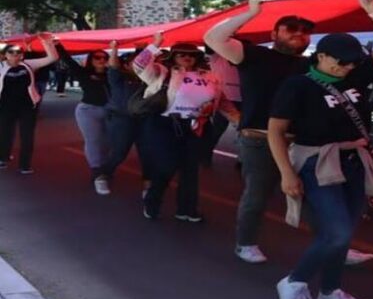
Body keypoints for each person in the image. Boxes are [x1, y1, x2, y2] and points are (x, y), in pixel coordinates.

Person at [204, 0, 373, 266]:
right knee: (257, 195)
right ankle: (245, 242)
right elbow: (213, 37)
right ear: (274, 34)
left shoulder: (312, 65)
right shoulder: (254, 55)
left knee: (315, 197)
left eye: (305, 30)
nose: (299, 33)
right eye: (290, 28)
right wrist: (250, 14)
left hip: (302, 144)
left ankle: (334, 246)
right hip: (260, 140)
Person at [268, 0, 373, 299]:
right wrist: (286, 172)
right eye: (339, 61)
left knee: (346, 231)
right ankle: (295, 281)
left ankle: (330, 291)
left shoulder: (356, 75)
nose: (346, 67)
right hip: (317, 162)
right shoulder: (298, 85)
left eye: (352, 61)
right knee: (338, 232)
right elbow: (276, 130)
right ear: (321, 56)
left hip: (354, 162)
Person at [134, 35, 239, 222]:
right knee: (166, 167)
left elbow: (223, 103)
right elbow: (139, 66)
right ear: (173, 56)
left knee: (190, 170)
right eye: (181, 54)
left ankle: (187, 209)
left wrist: (241, 122)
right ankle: (152, 201)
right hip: (166, 125)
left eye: (191, 55)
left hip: (198, 126)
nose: (186, 57)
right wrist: (155, 45)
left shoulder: (211, 77)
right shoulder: (162, 72)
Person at [57, 44, 113, 193]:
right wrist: (57, 44)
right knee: (93, 141)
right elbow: (68, 60)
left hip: (110, 111)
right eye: (97, 57)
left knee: (108, 142)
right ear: (91, 60)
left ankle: (104, 168)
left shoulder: (113, 73)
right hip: (88, 110)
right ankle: (98, 174)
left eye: (104, 57)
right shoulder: (83, 73)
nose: (101, 60)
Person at [0, 34, 59, 173]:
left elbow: (52, 58)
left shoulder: (28, 65)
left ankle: (25, 165)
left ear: (22, 55)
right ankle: (3, 158)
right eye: (11, 52)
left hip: (27, 106)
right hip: (5, 106)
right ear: (5, 55)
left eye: (18, 52)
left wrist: (47, 42)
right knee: (5, 133)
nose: (15, 55)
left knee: (27, 135)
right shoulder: (1, 66)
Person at [98, 41, 149, 196]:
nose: (141, 65)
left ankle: (149, 184)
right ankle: (103, 175)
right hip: (121, 119)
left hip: (144, 119)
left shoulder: (150, 79)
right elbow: (113, 66)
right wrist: (114, 48)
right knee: (119, 152)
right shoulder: (118, 78)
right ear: (126, 66)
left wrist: (147, 47)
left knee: (147, 152)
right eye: (136, 62)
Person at [203, 45, 242, 167]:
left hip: (243, 101)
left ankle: (242, 160)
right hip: (222, 101)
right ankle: (204, 156)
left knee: (244, 133)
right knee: (215, 131)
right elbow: (209, 44)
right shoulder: (217, 57)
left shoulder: (245, 60)